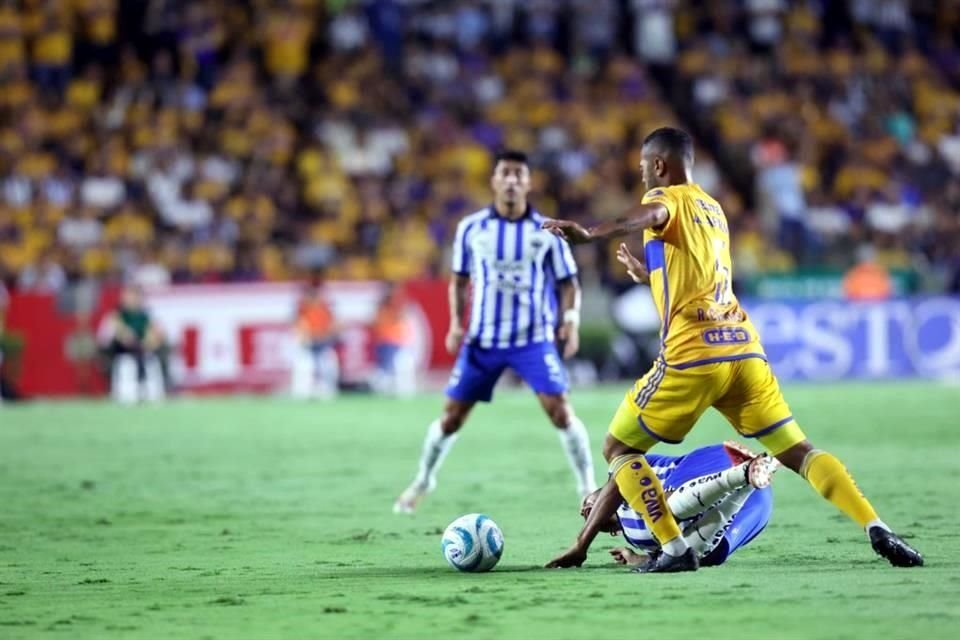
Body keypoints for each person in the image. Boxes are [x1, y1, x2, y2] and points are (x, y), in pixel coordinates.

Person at [543, 127, 923, 572]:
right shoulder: (713, 208)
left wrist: (589, 233)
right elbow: (699, 279)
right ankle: (875, 525)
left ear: (660, 166)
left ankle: (673, 548)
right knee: (799, 451)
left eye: (646, 168)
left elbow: (645, 216)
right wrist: (650, 278)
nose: (645, 177)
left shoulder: (669, 198)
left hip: (694, 354)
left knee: (619, 449)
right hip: (744, 350)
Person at [393, 149, 597, 513]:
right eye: (506, 173)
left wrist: (570, 320)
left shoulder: (549, 230)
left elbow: (570, 283)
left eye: (520, 174)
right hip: (483, 341)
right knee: (452, 417)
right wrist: (456, 324)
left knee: (561, 411)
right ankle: (424, 479)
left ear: (529, 183)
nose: (512, 180)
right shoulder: (472, 228)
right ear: (494, 181)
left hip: (532, 340)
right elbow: (458, 281)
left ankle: (588, 486)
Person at [584, 441, 778, 569]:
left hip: (721, 462)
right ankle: (751, 476)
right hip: (754, 501)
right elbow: (674, 556)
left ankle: (743, 472)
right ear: (613, 532)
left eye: (587, 503)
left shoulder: (624, 477)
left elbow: (619, 475)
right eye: (586, 516)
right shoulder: (635, 538)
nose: (585, 511)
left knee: (659, 512)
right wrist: (635, 559)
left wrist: (581, 544)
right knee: (706, 555)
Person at [99, 284, 165, 403]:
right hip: (121, 353)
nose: (132, 299)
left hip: (143, 352)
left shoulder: (146, 316)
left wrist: (149, 340)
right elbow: (105, 338)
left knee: (150, 353)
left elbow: (157, 333)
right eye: (129, 296)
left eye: (135, 296)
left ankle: (147, 388)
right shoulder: (116, 315)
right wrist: (123, 335)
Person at [291, 282, 339, 399]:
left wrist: (327, 336)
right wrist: (305, 338)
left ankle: (327, 391)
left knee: (328, 365)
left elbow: (333, 327)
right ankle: (302, 393)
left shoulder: (325, 309)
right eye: (312, 296)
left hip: (322, 344)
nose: (314, 298)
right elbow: (299, 328)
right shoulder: (302, 310)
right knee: (304, 367)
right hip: (307, 344)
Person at [371, 285, 416, 397]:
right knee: (386, 369)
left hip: (399, 342)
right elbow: (378, 324)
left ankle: (402, 391)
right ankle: (382, 390)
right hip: (388, 342)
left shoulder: (398, 305)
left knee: (403, 368)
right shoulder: (383, 308)